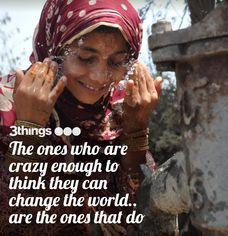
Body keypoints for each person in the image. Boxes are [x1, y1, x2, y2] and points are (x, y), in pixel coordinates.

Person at [0, 0, 162, 235]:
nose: (99, 77)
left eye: (116, 62)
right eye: (86, 57)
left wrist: (136, 130)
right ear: (54, 48)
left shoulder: (120, 109)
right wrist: (29, 129)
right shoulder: (8, 104)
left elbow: (142, 214)